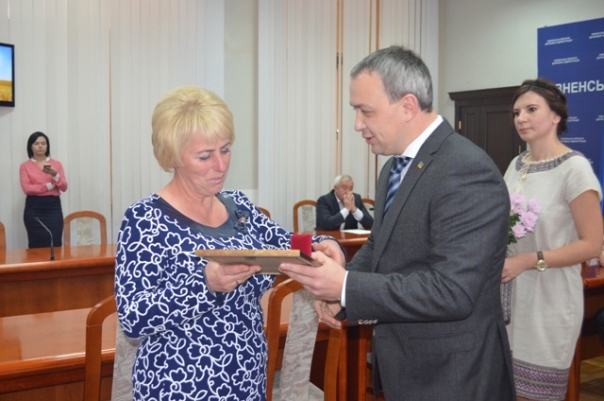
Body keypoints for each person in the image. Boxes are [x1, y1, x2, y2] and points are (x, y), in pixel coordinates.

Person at [279, 45, 515, 400]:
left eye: (366, 111)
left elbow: (453, 291)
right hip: (404, 366)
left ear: (407, 106)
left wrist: (345, 286)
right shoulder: (394, 166)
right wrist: (342, 290)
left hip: (453, 375)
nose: (357, 125)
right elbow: (380, 244)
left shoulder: (465, 169)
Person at [114, 85, 344, 401]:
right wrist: (205, 284)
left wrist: (324, 244)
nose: (221, 165)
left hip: (247, 381)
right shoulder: (145, 219)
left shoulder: (239, 207)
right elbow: (133, 317)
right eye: (205, 156)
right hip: (179, 387)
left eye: (225, 149)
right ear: (173, 157)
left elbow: (288, 245)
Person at [501, 78, 603, 401]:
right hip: (510, 298)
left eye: (531, 109)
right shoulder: (515, 165)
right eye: (517, 112)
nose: (521, 118)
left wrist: (529, 260)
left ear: (556, 116)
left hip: (551, 298)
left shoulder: (574, 169)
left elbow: (592, 244)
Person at [19, 131, 68, 248]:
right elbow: (27, 189)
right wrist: (49, 186)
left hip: (53, 207)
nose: (40, 146)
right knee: (36, 244)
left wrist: (55, 175)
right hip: (34, 208)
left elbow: (64, 187)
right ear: (30, 146)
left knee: (55, 242)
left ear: (47, 146)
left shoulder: (56, 164)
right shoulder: (25, 166)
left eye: (43, 143)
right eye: (36, 144)